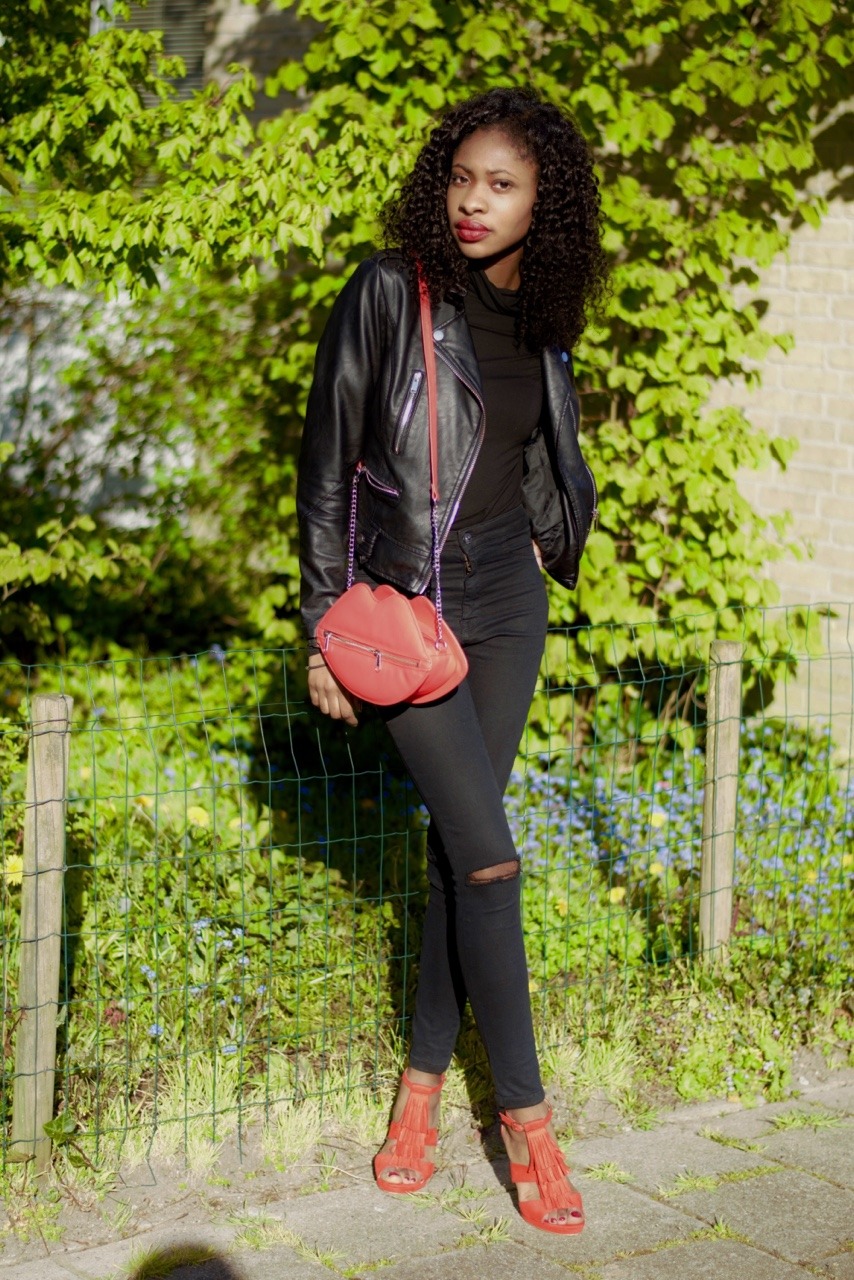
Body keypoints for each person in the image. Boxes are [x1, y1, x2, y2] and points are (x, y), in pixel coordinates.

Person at [297, 86, 606, 1235]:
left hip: (506, 603)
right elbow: (324, 461)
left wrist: (538, 531)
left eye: (502, 184)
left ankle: (420, 1090)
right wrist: (323, 624)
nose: (473, 202)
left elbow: (529, 443)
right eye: (461, 178)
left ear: (546, 204)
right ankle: (528, 1121)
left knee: (455, 853)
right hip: (404, 612)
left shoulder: (544, 313)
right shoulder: (387, 292)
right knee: (491, 862)